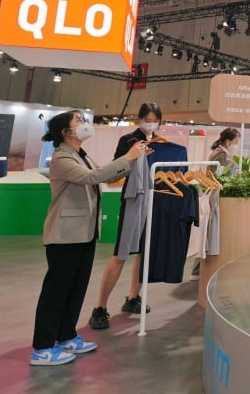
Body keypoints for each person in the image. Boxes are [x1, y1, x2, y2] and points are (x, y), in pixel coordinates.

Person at [30, 110, 150, 366]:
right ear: (65, 131)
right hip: (64, 236)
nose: (85, 124)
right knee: (57, 291)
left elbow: (109, 176)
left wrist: (132, 161)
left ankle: (66, 336)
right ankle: (42, 347)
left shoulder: (82, 155)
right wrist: (127, 157)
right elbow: (91, 177)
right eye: (79, 121)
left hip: (84, 234)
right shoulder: (62, 158)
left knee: (76, 288)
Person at [88, 102, 162, 330]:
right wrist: (133, 158)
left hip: (152, 201)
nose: (151, 122)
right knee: (121, 254)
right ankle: (100, 307)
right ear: (139, 119)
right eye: (147, 118)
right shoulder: (129, 140)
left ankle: (133, 297)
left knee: (143, 252)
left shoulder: (160, 143)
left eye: (155, 119)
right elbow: (114, 173)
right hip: (133, 202)